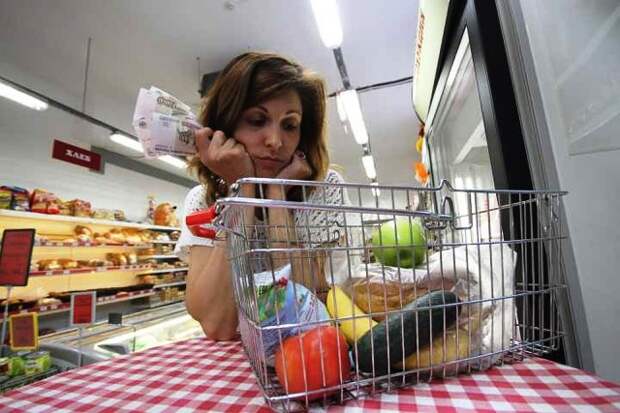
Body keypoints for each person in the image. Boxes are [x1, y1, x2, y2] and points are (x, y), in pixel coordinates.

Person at [175, 52, 357, 341]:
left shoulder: (323, 189)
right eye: (257, 120)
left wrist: (276, 196)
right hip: (236, 364)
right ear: (226, 126)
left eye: (290, 125)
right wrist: (243, 190)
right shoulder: (203, 198)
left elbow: (311, 310)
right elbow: (218, 325)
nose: (275, 141)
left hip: (311, 356)